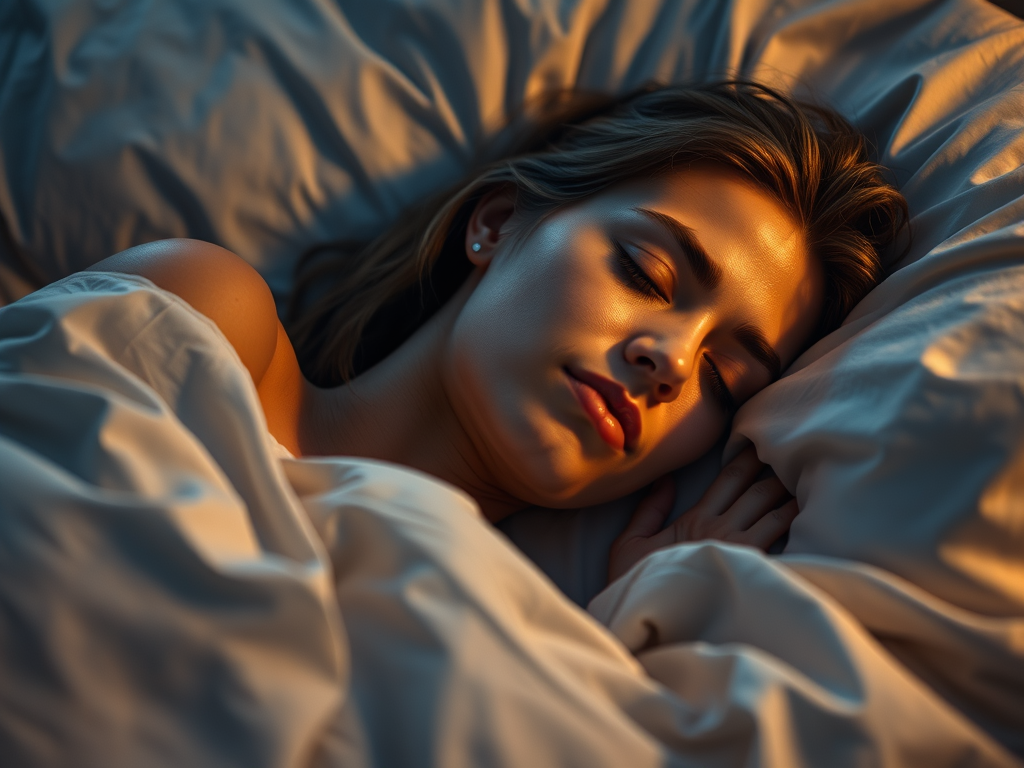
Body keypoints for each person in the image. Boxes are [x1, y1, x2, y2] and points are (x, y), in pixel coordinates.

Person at [85, 81, 908, 583]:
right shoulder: (208, 320)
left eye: (724, 380)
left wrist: (619, 639)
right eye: (644, 274)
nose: (671, 361)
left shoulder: (541, 636)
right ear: (498, 223)